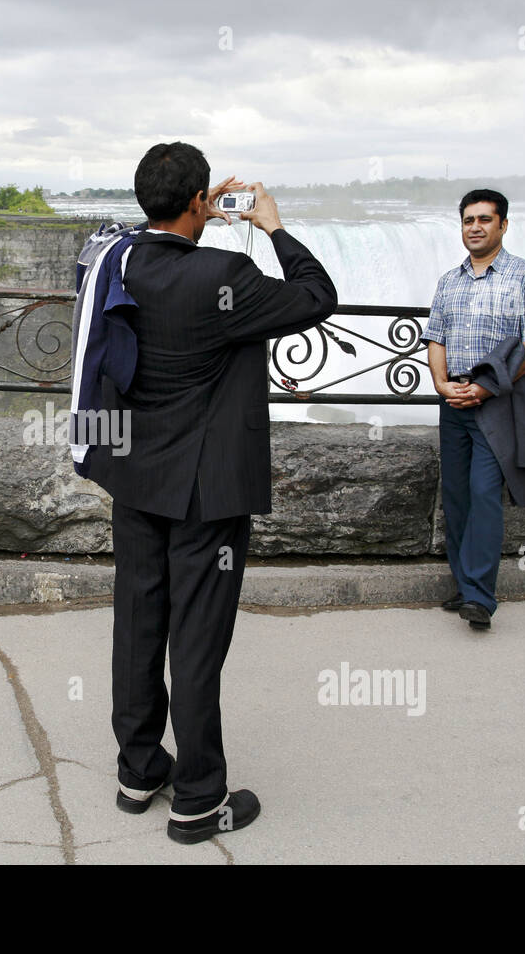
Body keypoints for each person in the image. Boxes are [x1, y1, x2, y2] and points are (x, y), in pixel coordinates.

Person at [83, 142, 337, 843]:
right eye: (204, 198)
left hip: (134, 477)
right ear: (201, 201)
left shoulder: (119, 259)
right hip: (203, 491)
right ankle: (198, 798)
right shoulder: (227, 273)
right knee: (195, 640)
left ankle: (138, 771)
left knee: (138, 624)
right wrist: (271, 225)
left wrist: (192, 216)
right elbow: (318, 297)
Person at [421, 189, 525, 630]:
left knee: (483, 494)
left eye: (484, 219)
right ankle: (464, 585)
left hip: (498, 402)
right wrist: (442, 384)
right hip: (454, 401)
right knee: (457, 497)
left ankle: (480, 596)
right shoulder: (449, 280)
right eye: (467, 220)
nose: (474, 227)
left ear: (503, 225)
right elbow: (436, 337)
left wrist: (483, 387)